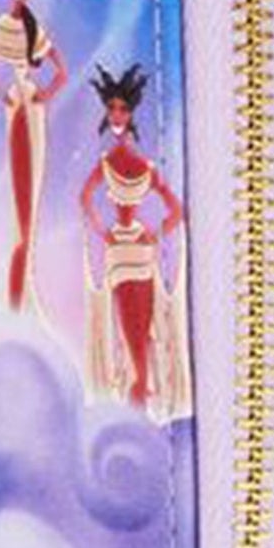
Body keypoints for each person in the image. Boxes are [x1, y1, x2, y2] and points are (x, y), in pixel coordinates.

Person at [79, 64, 190, 417]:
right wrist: (110, 231)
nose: (116, 114)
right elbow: (85, 199)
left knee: (138, 335)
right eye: (112, 108)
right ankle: (140, 397)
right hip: (130, 252)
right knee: (134, 335)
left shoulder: (132, 165)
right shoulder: (125, 164)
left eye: (121, 109)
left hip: (130, 252)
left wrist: (120, 232)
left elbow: (176, 211)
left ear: (130, 114)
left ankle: (138, 399)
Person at [0, 0, 67, 313]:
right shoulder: (4, 25)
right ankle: (18, 294)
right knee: (19, 197)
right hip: (15, 105)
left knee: (32, 188)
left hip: (31, 105)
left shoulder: (34, 28)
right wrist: (1, 93)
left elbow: (61, 71)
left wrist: (44, 95)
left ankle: (23, 290)